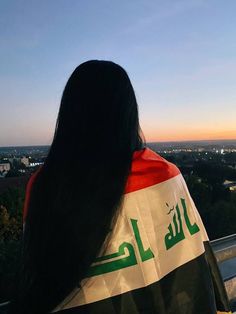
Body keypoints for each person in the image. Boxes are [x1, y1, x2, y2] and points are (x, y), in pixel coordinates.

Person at [9, 60, 231, 314]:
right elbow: (198, 272)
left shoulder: (45, 186)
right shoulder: (164, 175)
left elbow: (34, 276)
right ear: (128, 113)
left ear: (70, 113)